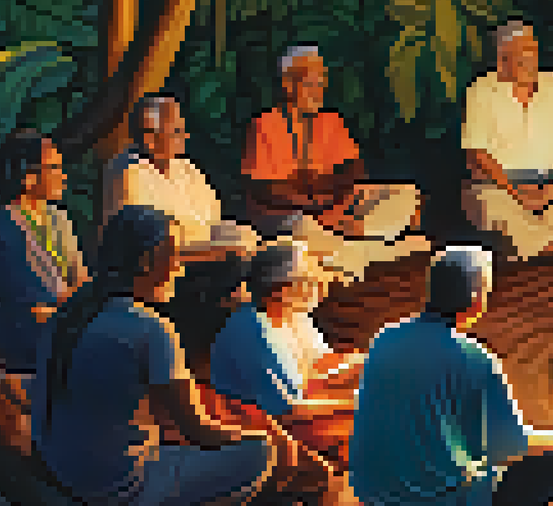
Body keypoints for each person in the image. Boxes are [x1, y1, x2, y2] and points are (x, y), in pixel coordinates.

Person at [29, 205, 340, 506]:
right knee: (261, 452)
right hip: (120, 489)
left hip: (64, 471)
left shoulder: (67, 317)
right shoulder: (150, 329)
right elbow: (199, 430)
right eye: (174, 255)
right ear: (148, 261)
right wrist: (273, 443)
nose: (180, 267)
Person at [349, 247, 553, 506]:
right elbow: (508, 447)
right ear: (476, 299)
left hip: (373, 496)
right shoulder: (474, 358)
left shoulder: (386, 337)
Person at [242, 45, 429, 282]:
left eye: (321, 84)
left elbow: (354, 170)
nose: (318, 92)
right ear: (288, 86)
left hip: (336, 211)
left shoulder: (331, 121)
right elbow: (265, 189)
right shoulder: (264, 125)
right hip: (289, 217)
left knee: (406, 195)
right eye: (311, 84)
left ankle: (357, 243)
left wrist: (332, 199)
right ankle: (379, 251)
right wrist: (314, 200)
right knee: (299, 227)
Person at [106, 95, 260, 374]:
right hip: (160, 269)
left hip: (204, 259)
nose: (185, 135)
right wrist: (218, 252)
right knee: (233, 266)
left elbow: (215, 222)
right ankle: (198, 365)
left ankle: (235, 358)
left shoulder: (186, 169)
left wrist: (244, 238)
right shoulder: (127, 172)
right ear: (151, 138)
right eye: (176, 130)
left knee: (257, 255)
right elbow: (142, 245)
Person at [461, 21, 553, 260]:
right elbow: (478, 156)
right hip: (497, 188)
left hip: (549, 186)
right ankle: (551, 245)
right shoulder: (481, 90)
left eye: (532, 53)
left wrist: (552, 189)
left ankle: (528, 243)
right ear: (502, 61)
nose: (529, 61)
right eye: (521, 56)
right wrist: (516, 192)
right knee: (487, 205)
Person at [207, 241, 364, 459]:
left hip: (296, 413)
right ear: (281, 289)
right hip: (266, 432)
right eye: (309, 280)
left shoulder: (295, 318)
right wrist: (359, 401)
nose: (321, 285)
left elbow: (320, 370)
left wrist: (367, 365)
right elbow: (288, 411)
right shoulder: (254, 330)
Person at [0, 130, 87, 374]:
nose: (63, 176)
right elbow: (33, 294)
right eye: (54, 168)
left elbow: (79, 279)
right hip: (23, 328)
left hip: (62, 318)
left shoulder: (60, 219)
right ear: (27, 176)